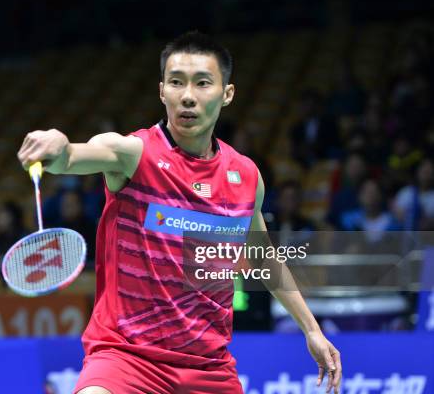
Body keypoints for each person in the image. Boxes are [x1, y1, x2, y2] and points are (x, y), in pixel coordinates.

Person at [17, 31, 341, 394]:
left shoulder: (246, 176)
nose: (188, 96)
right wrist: (59, 146)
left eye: (203, 83)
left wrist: (312, 329)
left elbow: (263, 257)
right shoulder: (133, 155)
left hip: (208, 367)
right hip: (126, 358)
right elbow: (73, 157)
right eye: (176, 82)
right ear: (162, 91)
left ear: (227, 94)